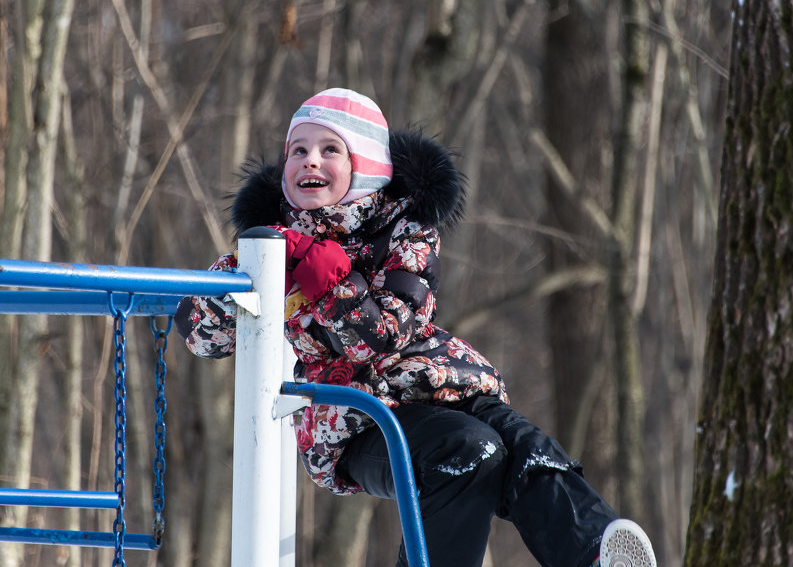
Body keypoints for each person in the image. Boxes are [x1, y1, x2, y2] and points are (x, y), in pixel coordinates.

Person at [175, 88, 656, 567]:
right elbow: (202, 334)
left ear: (363, 165)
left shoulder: (407, 232)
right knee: (471, 451)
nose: (310, 162)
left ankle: (592, 551)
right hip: (354, 417)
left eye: (329, 149)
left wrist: (330, 285)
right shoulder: (273, 243)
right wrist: (256, 270)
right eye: (297, 150)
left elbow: (387, 333)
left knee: (522, 444)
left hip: (440, 385)